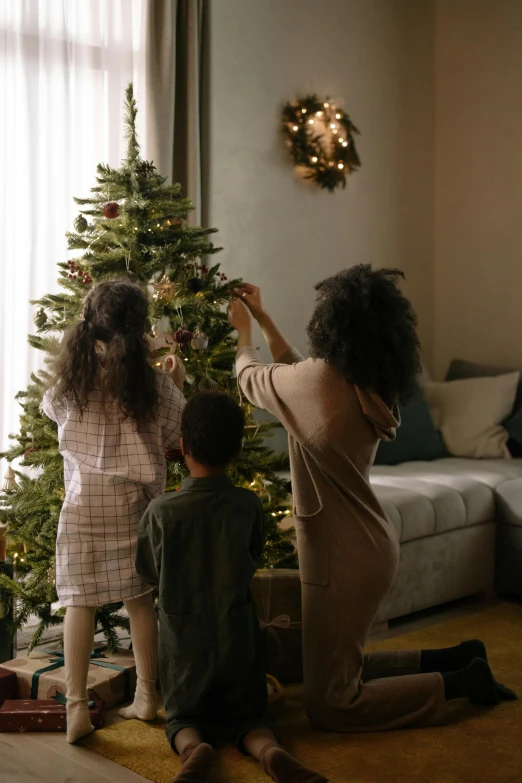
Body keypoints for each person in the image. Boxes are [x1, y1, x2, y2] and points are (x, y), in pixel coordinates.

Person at [227, 266, 516, 733]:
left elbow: (253, 378)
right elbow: (294, 368)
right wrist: (263, 318)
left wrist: (242, 334)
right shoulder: (359, 384)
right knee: (340, 671)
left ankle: (461, 682)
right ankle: (455, 657)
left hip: (339, 558)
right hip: (367, 548)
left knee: (332, 704)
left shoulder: (319, 384)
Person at [136, 391, 330, 783]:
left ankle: (194, 749)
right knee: (249, 719)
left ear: (183, 447)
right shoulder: (248, 506)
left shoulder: (160, 512)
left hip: (184, 651)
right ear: (239, 449)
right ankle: (268, 749)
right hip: (238, 643)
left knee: (184, 719)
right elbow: (254, 554)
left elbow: (147, 570)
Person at [43, 279, 186, 744]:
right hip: (133, 506)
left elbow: (51, 410)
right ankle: (147, 695)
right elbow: (177, 433)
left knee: (78, 601)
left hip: (83, 504)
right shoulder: (156, 386)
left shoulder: (72, 382)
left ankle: (76, 709)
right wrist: (177, 382)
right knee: (139, 597)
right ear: (141, 328)